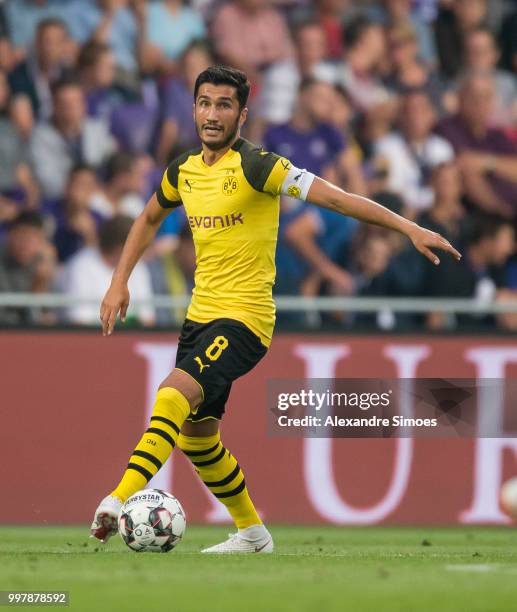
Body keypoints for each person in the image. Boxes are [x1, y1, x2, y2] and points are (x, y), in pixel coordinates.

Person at [90, 66, 460, 554]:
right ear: (194, 108)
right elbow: (147, 217)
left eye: (224, 105)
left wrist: (407, 227)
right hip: (199, 318)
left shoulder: (259, 166)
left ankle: (119, 499)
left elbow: (339, 199)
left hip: (245, 320)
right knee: (198, 438)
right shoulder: (183, 170)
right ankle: (253, 534)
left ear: (242, 114)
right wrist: (119, 282)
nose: (212, 114)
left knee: (172, 394)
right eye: (204, 103)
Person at [63, 215, 154, 326]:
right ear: (120, 248)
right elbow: (80, 321)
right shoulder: (81, 267)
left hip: (131, 340)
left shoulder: (140, 268)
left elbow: (148, 319)